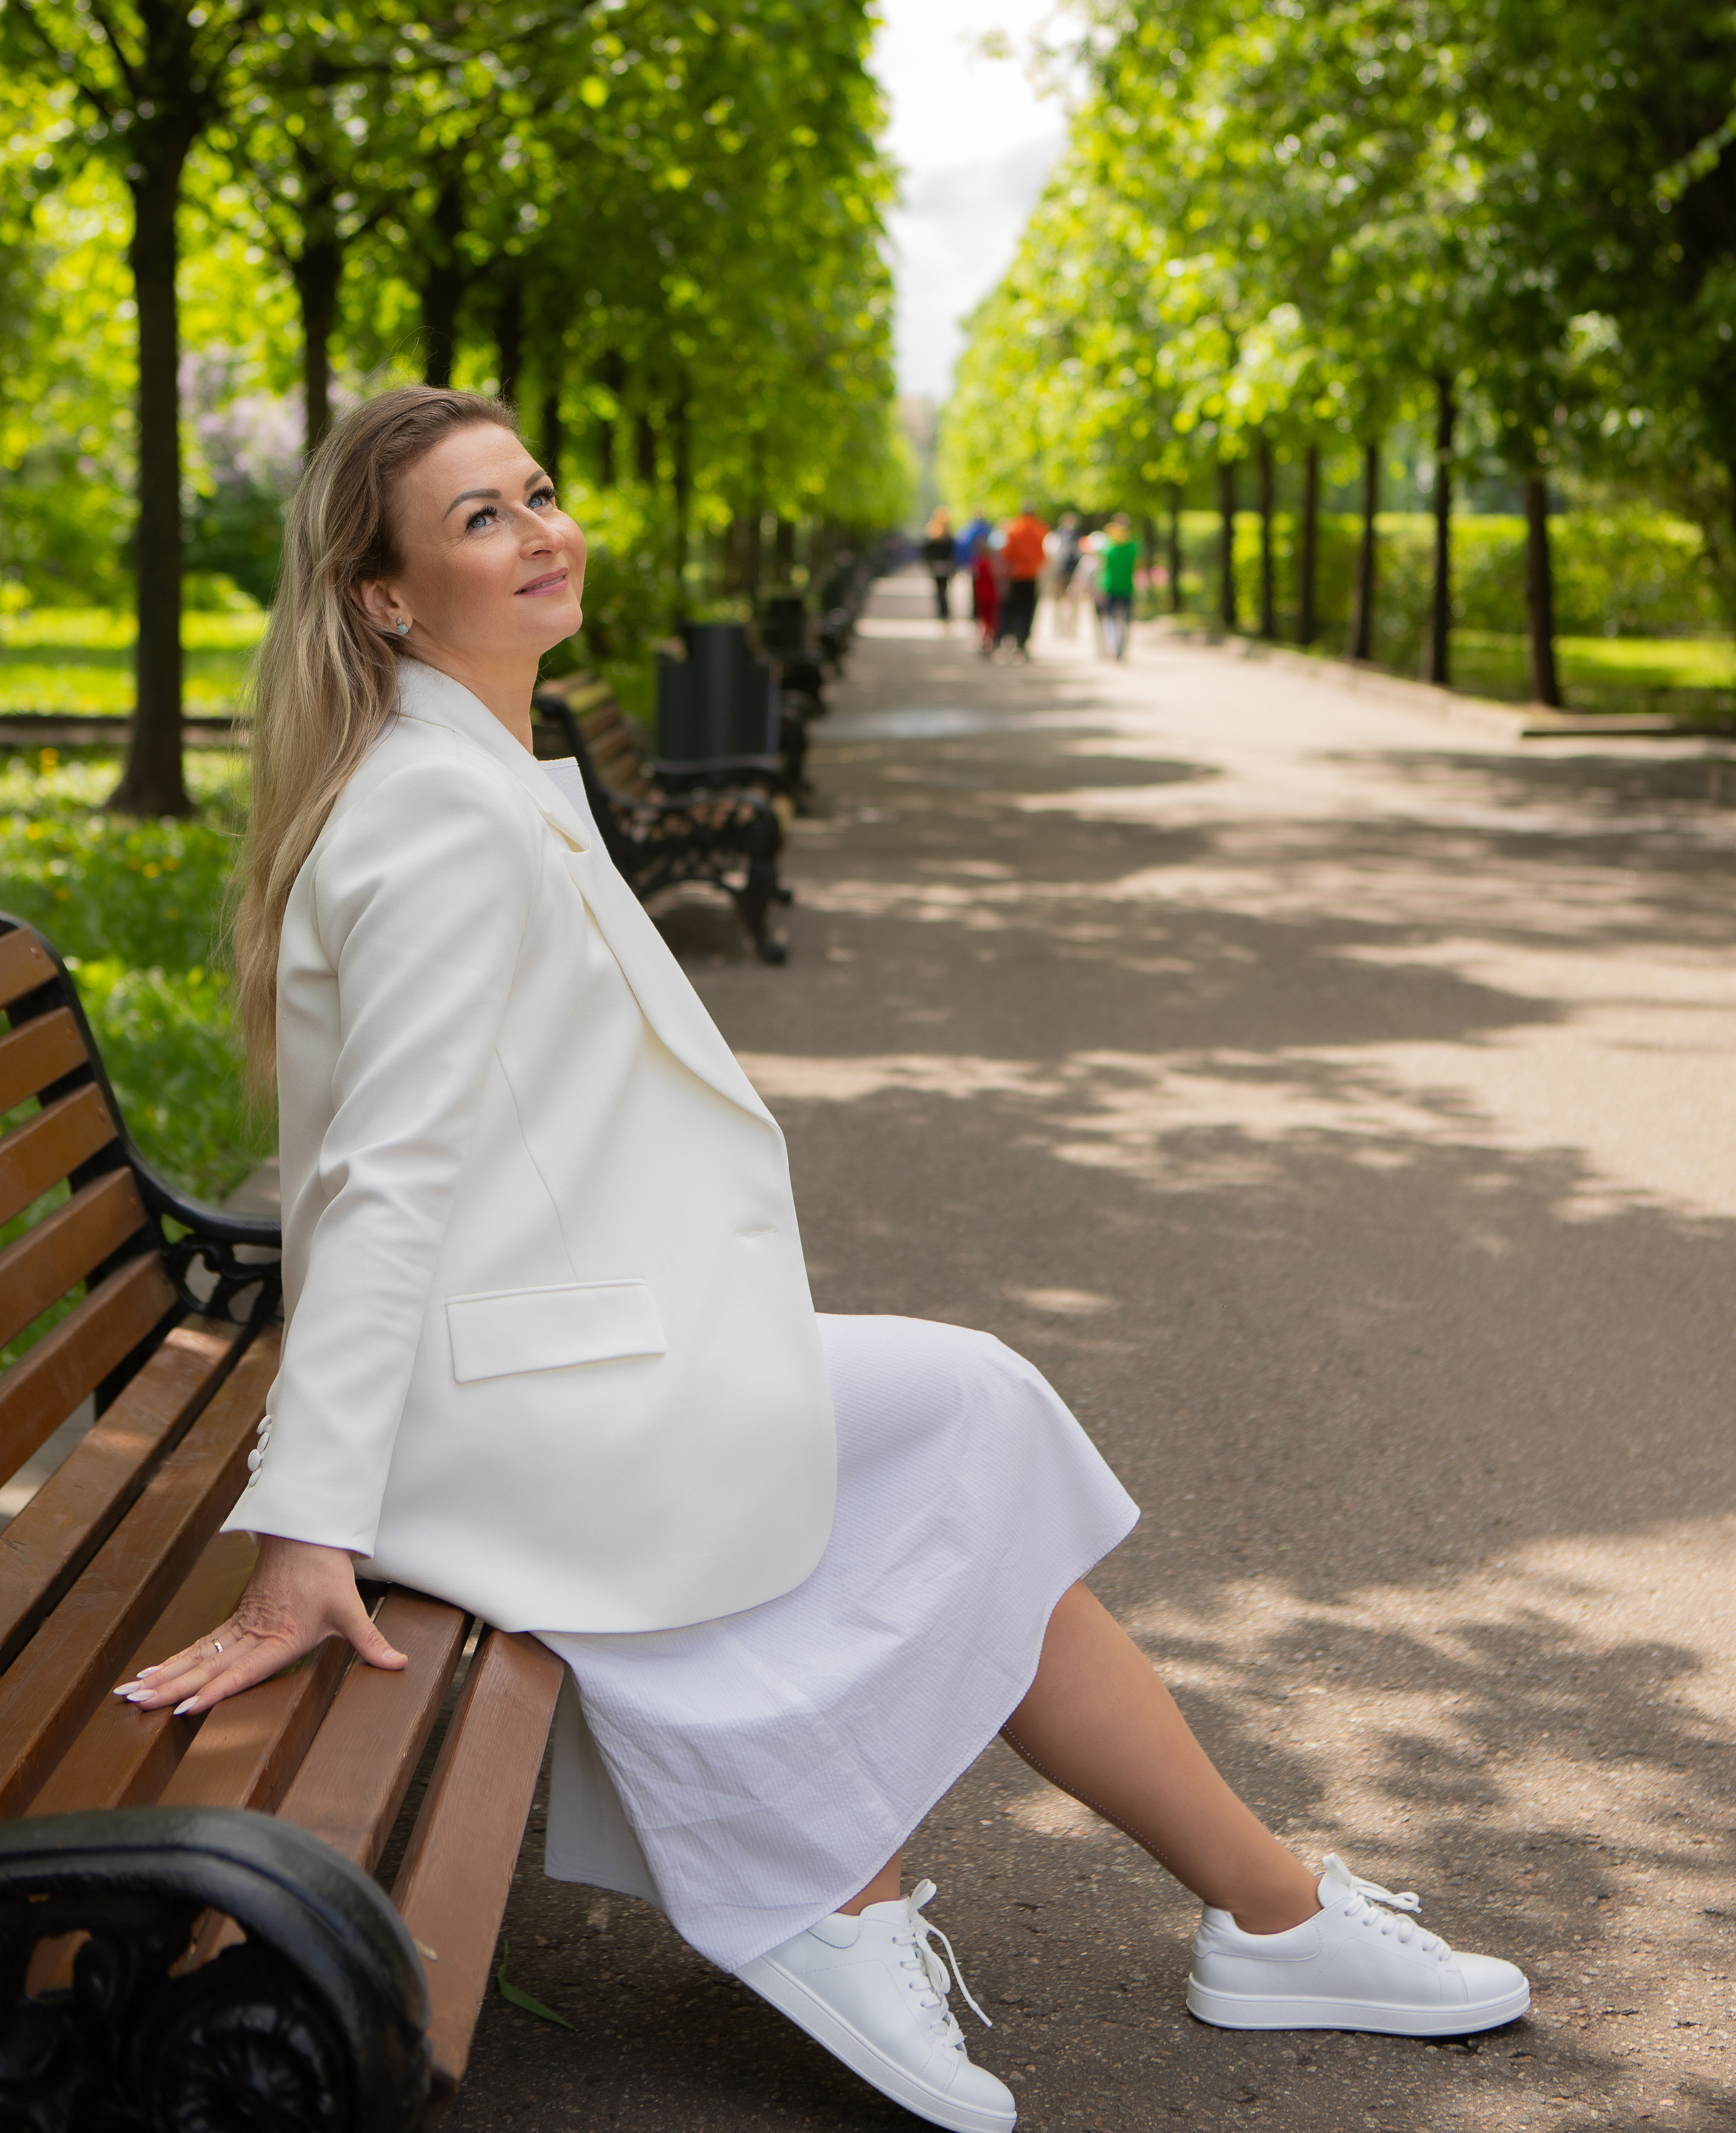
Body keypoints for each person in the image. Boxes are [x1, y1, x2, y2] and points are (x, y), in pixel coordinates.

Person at [115, 388, 1529, 2133]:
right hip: (506, 1422)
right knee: (955, 1434)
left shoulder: (469, 774)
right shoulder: (436, 817)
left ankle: (1247, 1910)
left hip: (553, 1369)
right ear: (383, 598)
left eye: (537, 492)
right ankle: (897, 1900)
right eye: (479, 519)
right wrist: (304, 1528)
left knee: (974, 1414)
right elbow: (381, 1189)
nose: (541, 530)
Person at [996, 505, 1049, 658]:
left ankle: (1008, 638)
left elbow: (1007, 553)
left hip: (1015, 575)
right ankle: (1023, 641)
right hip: (1031, 575)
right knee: (1028, 609)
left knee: (1012, 607)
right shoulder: (1040, 529)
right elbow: (1043, 555)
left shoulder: (1013, 528)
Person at [1099, 512, 1139, 660]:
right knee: (1122, 621)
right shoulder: (1133, 546)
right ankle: (1119, 647)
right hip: (1124, 587)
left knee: (1109, 619)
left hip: (1111, 587)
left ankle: (1113, 646)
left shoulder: (1108, 545)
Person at [969, 528, 1001, 656]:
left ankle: (983, 640)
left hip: (981, 595)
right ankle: (988, 639)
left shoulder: (977, 564)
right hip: (991, 595)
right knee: (991, 619)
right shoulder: (992, 564)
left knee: (982, 619)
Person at [922, 509, 958, 624]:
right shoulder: (948, 537)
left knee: (940, 591)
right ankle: (945, 613)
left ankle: (943, 613)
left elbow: (926, 552)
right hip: (945, 566)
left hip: (937, 567)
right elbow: (953, 553)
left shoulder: (933, 535)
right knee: (944, 590)